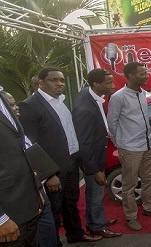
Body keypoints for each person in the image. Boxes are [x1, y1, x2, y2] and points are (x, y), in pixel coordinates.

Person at [18, 67, 102, 245]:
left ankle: (75, 234)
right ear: (40, 82)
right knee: (53, 209)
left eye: (62, 80)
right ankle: (53, 242)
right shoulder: (30, 105)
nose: (59, 84)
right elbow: (30, 144)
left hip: (71, 162)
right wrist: (47, 174)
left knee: (70, 202)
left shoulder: (60, 102)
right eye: (54, 80)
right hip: (52, 169)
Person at [107, 62, 151, 231]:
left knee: (149, 179)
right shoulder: (118, 97)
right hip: (130, 147)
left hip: (147, 144)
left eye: (146, 73)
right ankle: (131, 217)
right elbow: (112, 124)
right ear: (131, 76)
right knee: (129, 184)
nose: (147, 76)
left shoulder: (143, 94)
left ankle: (149, 208)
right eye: (142, 74)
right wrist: (121, 144)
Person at [0, 90, 58, 247]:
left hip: (28, 204)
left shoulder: (3, 99)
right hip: (8, 214)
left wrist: (36, 189)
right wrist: (1, 219)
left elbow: (21, 151)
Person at [72, 69, 121, 238]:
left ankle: (97, 219)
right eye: (108, 83)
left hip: (98, 154)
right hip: (92, 160)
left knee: (96, 193)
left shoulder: (91, 95)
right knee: (95, 194)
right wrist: (94, 170)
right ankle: (96, 226)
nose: (113, 85)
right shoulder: (84, 108)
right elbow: (84, 143)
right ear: (96, 84)